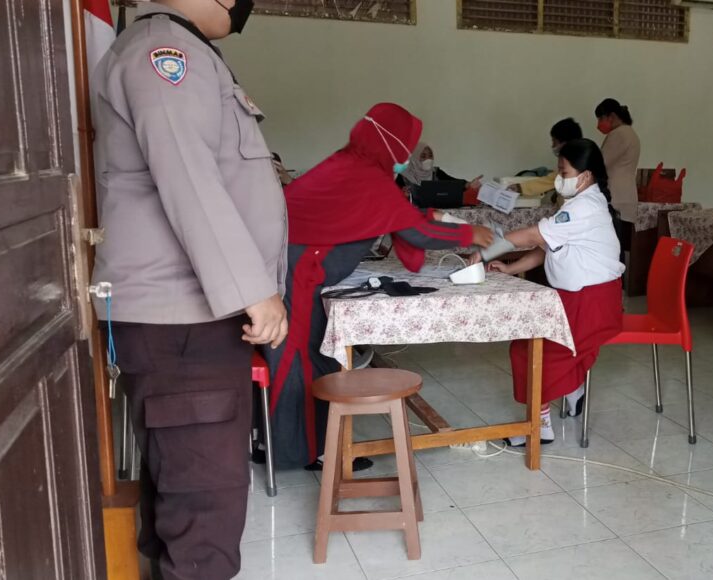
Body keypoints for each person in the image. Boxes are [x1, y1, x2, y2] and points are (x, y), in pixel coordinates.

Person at [91, 0, 286, 577]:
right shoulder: (165, 52)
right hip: (183, 321)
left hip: (186, 319)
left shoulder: (184, 50)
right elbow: (189, 176)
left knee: (184, 491)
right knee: (205, 506)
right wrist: (255, 290)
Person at [265, 103, 495, 473]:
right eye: (406, 148)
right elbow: (414, 231)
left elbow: (396, 215)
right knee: (302, 360)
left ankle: (280, 442)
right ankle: (308, 451)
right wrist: (470, 234)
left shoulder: (351, 164)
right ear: (392, 145)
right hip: (299, 273)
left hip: (290, 268)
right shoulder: (368, 177)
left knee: (304, 355)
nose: (406, 158)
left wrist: (434, 217)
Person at [470, 139, 625, 445]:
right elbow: (546, 246)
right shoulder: (578, 203)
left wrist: (486, 252)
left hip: (592, 303)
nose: (559, 178)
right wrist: (511, 268)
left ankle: (539, 426)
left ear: (586, 176)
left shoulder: (584, 207)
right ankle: (572, 391)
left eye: (563, 172)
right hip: (577, 299)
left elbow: (532, 236)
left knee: (533, 352)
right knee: (528, 344)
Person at [511, 117, 585, 196]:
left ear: (565, 144)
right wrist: (520, 187)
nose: (552, 146)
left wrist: (520, 188)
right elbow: (552, 180)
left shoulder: (577, 166)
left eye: (554, 141)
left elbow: (552, 181)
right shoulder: (578, 160)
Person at [595, 98, 641, 223]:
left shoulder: (618, 134)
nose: (598, 124)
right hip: (626, 196)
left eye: (601, 118)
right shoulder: (630, 133)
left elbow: (600, 163)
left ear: (611, 117)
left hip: (616, 197)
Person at [395, 142, 483, 204]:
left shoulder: (436, 173)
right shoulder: (403, 176)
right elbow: (393, 197)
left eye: (430, 156)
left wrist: (469, 184)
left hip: (435, 215)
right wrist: (402, 194)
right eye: (423, 156)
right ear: (414, 158)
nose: (428, 159)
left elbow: (453, 183)